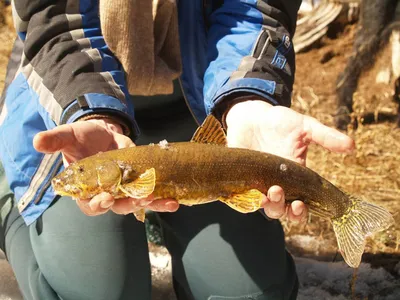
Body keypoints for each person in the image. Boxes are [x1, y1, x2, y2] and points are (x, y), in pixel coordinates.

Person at [0, 1, 354, 299]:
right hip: (75, 110)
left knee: (248, 293)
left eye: (76, 177)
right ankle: (7, 207)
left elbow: (256, 7)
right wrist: (92, 111)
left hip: (204, 102)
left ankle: (346, 210)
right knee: (98, 290)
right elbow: (54, 20)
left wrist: (247, 99)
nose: (73, 179)